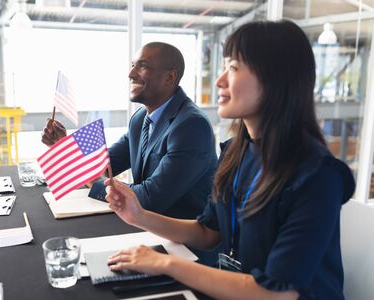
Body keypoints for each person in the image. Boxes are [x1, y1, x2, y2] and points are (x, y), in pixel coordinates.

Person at [104, 20, 355, 299]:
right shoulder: (237, 150)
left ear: (275, 79)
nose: (220, 80)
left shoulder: (318, 175)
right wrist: (138, 215)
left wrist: (166, 263)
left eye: (233, 68)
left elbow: (276, 293)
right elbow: (208, 231)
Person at [42, 42, 217, 220]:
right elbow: (106, 164)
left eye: (143, 66)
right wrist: (65, 145)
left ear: (170, 78)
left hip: (182, 240)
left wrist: (92, 180)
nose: (130, 74)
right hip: (145, 225)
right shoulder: (141, 118)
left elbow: (149, 198)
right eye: (133, 65)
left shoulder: (191, 126)